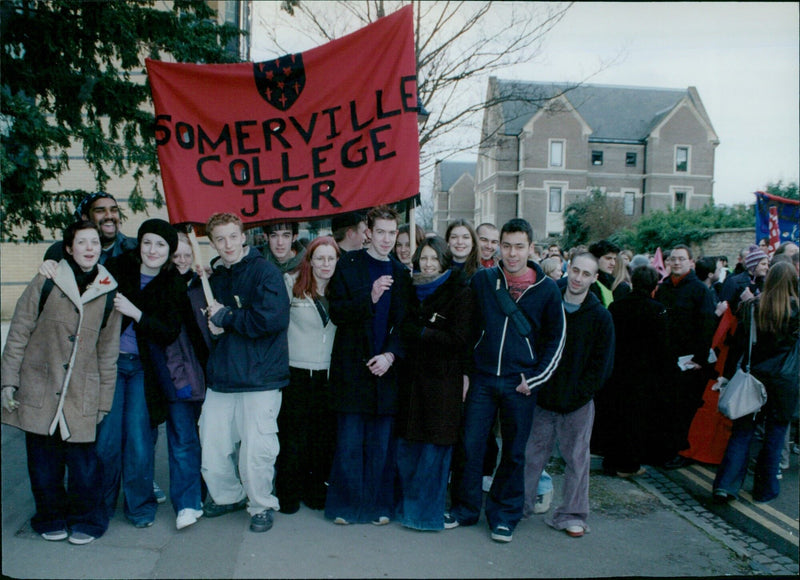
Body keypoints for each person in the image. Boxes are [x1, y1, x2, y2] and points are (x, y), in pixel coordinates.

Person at [446, 218, 565, 543]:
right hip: (483, 379)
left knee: (513, 452)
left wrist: (535, 378)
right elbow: (467, 329)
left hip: (520, 382)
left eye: (519, 246)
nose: (512, 253)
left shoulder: (548, 290)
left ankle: (504, 515)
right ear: (498, 245)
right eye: (507, 245)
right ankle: (465, 509)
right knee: (471, 445)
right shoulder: (484, 280)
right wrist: (467, 373)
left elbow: (556, 340)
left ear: (531, 248)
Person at [2, 221, 121, 545]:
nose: (89, 248)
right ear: (69, 248)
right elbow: (18, 333)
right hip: (41, 384)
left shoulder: (109, 290)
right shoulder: (47, 280)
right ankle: (50, 516)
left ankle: (87, 520)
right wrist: (8, 381)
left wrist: (103, 401)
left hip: (83, 389)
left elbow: (108, 353)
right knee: (44, 463)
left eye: (94, 242)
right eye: (82, 242)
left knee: (84, 466)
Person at [199, 212, 289, 534]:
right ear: (212, 243)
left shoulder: (265, 272)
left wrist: (227, 318)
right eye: (219, 239)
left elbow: (272, 321)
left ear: (243, 236)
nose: (227, 244)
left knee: (257, 449)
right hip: (223, 376)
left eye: (232, 236)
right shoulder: (215, 278)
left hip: (260, 377)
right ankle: (228, 496)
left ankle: (261, 504)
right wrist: (214, 326)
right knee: (212, 444)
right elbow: (216, 323)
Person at [325, 205, 411, 525]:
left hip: (385, 370)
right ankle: (345, 507)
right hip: (352, 368)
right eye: (381, 233)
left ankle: (378, 506)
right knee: (349, 441)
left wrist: (390, 355)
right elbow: (337, 311)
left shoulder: (402, 273)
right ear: (368, 233)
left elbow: (406, 324)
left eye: (392, 233)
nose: (387, 240)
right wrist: (369, 297)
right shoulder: (348, 264)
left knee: (381, 443)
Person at [98, 219, 185, 528]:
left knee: (138, 439)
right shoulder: (118, 268)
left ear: (170, 251)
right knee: (106, 440)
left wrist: (137, 313)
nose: (153, 249)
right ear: (139, 243)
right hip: (110, 364)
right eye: (147, 242)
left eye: (161, 244)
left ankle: (139, 507)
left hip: (142, 370)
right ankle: (101, 506)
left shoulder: (173, 282)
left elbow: (168, 331)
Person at [523, 252, 614, 538]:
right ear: (567, 268)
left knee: (576, 459)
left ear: (594, 278)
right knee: (531, 456)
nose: (578, 278)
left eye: (586, 274)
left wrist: (579, 395)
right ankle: (520, 504)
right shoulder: (549, 302)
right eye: (575, 271)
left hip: (577, 404)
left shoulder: (600, 317)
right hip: (543, 398)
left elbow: (602, 366)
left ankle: (573, 514)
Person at [395, 237, 474, 531]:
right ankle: (406, 508)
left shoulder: (460, 292)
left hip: (441, 384)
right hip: (412, 382)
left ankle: (425, 514)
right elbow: (402, 328)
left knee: (434, 452)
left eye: (433, 259)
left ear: (443, 260)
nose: (427, 264)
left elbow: (458, 339)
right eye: (423, 258)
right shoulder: (411, 288)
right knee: (409, 450)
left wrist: (424, 332)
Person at [713, 262, 799, 503]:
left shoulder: (752, 307)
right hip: (784, 381)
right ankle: (765, 489)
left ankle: (726, 485)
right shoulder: (797, 310)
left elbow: (738, 346)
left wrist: (728, 377)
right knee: (775, 434)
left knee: (743, 431)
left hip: (754, 377)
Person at [274, 236, 340, 514]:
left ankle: (315, 490)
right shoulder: (292, 284)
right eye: (320, 258)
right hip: (296, 371)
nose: (325, 264)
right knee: (292, 436)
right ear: (310, 260)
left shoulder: (342, 290)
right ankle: (288, 493)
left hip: (327, 372)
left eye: (331, 258)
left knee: (321, 437)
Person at [152, 231, 210, 530]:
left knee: (209, 442)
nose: (183, 260)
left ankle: (203, 495)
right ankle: (186, 503)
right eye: (177, 255)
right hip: (180, 380)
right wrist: (177, 379)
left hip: (210, 379)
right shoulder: (163, 290)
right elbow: (169, 343)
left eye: (188, 254)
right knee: (183, 443)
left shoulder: (205, 286)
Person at [594, 265, 670, 474]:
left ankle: (611, 461)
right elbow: (663, 347)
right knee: (636, 422)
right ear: (654, 286)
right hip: (644, 375)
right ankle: (628, 465)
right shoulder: (658, 310)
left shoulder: (617, 307)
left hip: (617, 371)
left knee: (615, 417)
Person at [654, 244, 717, 468]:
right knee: (665, 407)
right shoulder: (664, 288)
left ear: (691, 262)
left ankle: (678, 452)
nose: (676, 263)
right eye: (673, 259)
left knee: (682, 410)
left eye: (681, 259)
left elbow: (707, 326)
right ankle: (662, 450)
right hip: (667, 360)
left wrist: (699, 359)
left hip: (689, 362)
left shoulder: (700, 290)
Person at [44, 191, 137, 264]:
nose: (109, 216)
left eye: (114, 210)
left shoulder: (136, 248)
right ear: (85, 218)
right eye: (100, 211)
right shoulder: (60, 251)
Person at [719, 244, 769, 317]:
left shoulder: (766, 282)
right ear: (753, 265)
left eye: (767, 264)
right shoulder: (734, 282)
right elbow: (727, 308)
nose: (766, 267)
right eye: (763, 264)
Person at [586, 239, 630, 306]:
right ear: (596, 258)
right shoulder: (587, 282)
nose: (613, 263)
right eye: (608, 258)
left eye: (614, 259)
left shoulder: (613, 283)